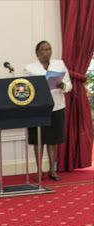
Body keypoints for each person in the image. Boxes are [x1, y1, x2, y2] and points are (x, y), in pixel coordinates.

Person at [24, 40, 72, 181]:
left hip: (56, 106)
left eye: (49, 49)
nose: (48, 52)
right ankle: (39, 171)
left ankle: (52, 169)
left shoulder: (59, 64)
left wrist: (63, 85)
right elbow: (27, 88)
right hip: (38, 108)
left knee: (53, 139)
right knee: (38, 140)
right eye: (44, 50)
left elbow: (69, 84)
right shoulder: (30, 68)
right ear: (37, 53)